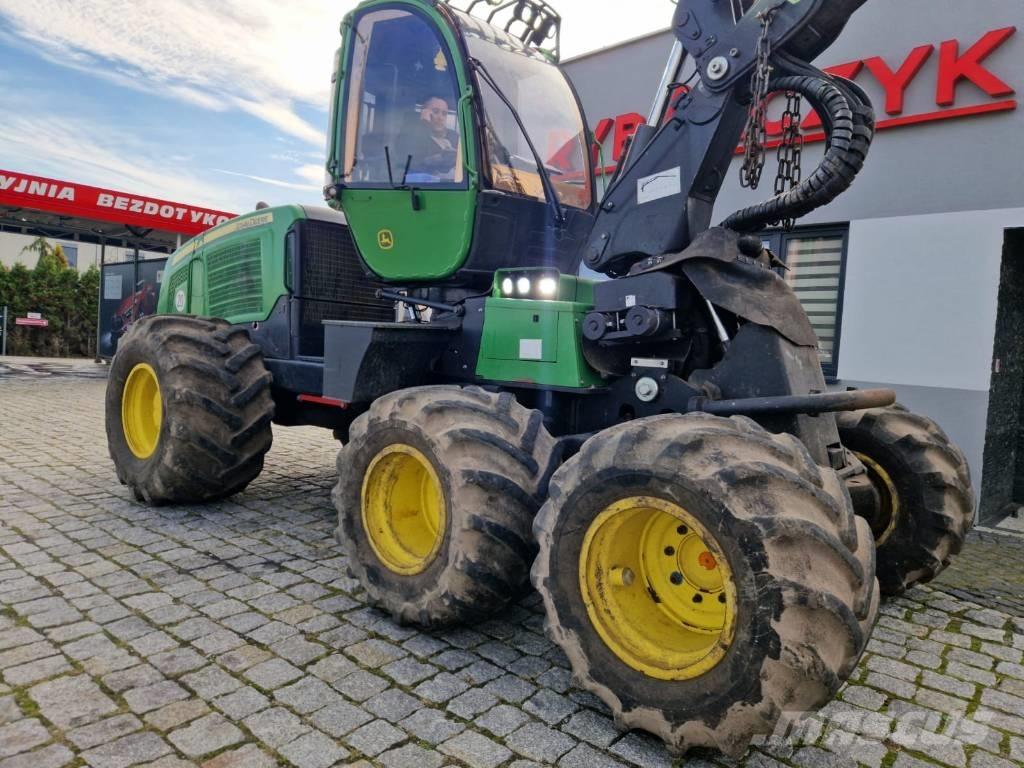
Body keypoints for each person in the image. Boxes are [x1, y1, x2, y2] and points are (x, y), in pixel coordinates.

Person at [407, 95, 459, 180]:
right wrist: (424, 124)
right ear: (424, 113)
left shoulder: (454, 137)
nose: (440, 117)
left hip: (453, 188)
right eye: (435, 111)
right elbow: (412, 163)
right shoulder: (411, 136)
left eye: (444, 113)